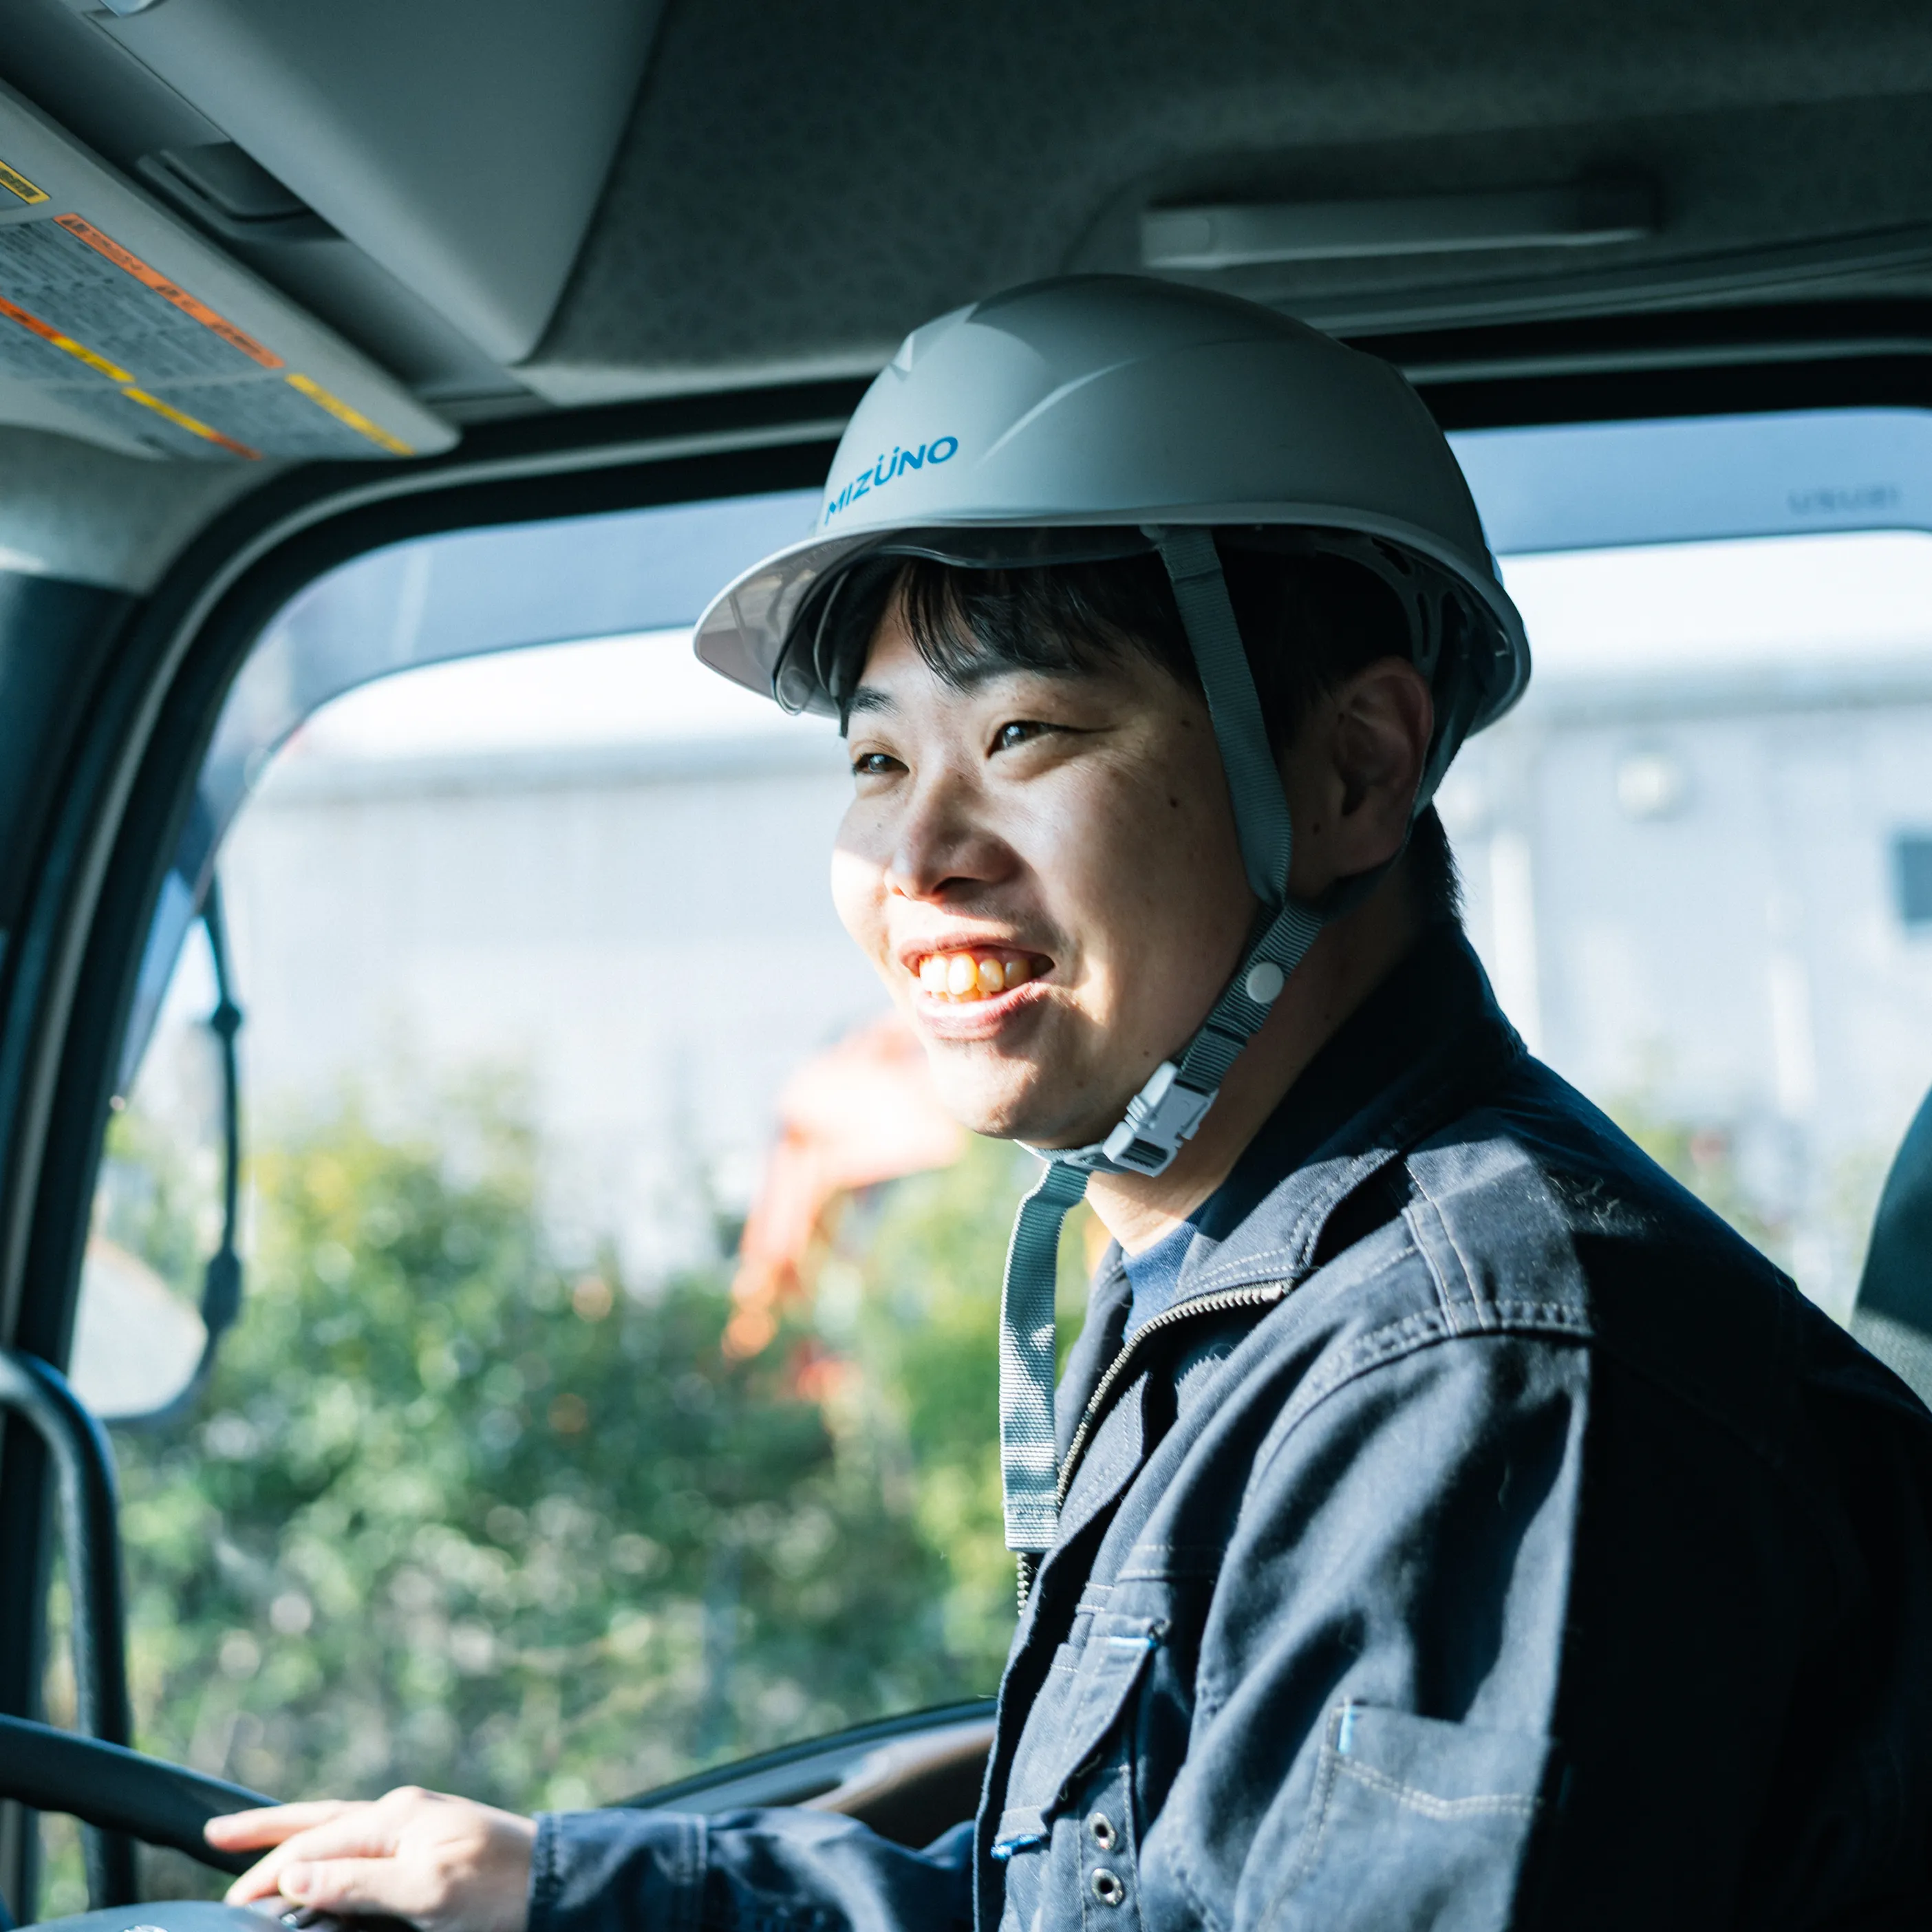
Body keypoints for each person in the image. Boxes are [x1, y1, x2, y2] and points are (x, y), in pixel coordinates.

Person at [207, 277, 1932, 1929]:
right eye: (879, 760)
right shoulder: (1257, 1277)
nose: (918, 859)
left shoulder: (1478, 1374)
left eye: (1025, 734)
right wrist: (581, 1889)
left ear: (1355, 771)